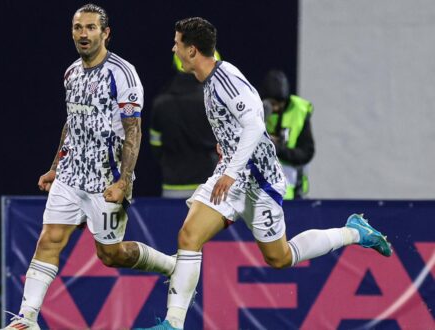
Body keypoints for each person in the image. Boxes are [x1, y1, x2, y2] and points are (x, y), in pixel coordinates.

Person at [139, 17, 392, 330]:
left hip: (259, 182)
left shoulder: (225, 79)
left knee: (280, 258)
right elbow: (239, 124)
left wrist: (232, 170)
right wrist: (227, 152)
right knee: (188, 237)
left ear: (192, 51)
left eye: (177, 43)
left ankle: (354, 232)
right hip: (231, 176)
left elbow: (255, 124)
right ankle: (173, 324)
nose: (173, 47)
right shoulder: (208, 78)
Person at [4, 4, 176, 329]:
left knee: (110, 255)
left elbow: (133, 130)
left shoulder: (123, 74)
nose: (84, 34)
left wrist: (124, 181)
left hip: (106, 180)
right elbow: (72, 121)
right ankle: (27, 319)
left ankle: (171, 266)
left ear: (105, 33)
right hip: (71, 176)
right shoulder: (71, 72)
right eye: (78, 28)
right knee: (49, 239)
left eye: (91, 28)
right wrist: (56, 165)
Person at [149, 53, 219, 198]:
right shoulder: (212, 103)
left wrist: (170, 163)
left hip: (172, 187)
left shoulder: (161, 103)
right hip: (208, 190)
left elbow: (155, 145)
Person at [262, 70, 315, 199]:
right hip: (259, 191)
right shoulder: (255, 109)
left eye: (279, 104)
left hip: (289, 191)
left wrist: (278, 148)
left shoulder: (299, 112)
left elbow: (306, 153)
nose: (275, 108)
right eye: (272, 104)